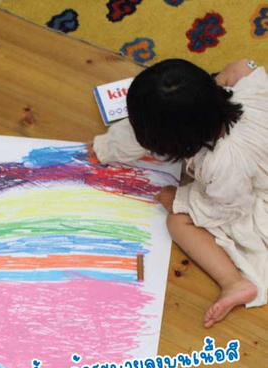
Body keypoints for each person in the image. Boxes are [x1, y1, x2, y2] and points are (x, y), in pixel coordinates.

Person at [91, 58, 267, 327]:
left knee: (177, 222)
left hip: (247, 195)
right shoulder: (249, 89)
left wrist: (179, 199)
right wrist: (106, 148)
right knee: (240, 68)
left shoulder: (223, 165)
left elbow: (229, 208)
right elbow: (239, 67)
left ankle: (234, 282)